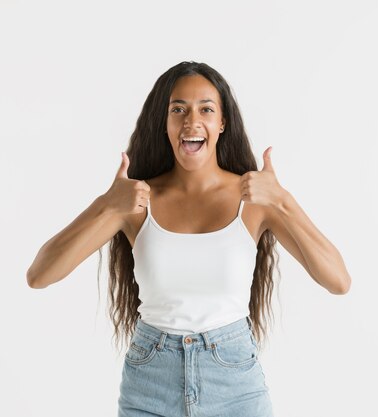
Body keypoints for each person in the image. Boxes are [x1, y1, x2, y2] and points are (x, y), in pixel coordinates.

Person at [26, 61, 351, 417]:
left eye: (206, 109)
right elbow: (40, 274)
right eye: (178, 109)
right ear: (164, 124)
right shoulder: (136, 202)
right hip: (150, 385)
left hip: (235, 387)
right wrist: (106, 205)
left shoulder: (255, 201)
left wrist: (284, 201)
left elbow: (338, 280)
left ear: (222, 123)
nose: (191, 121)